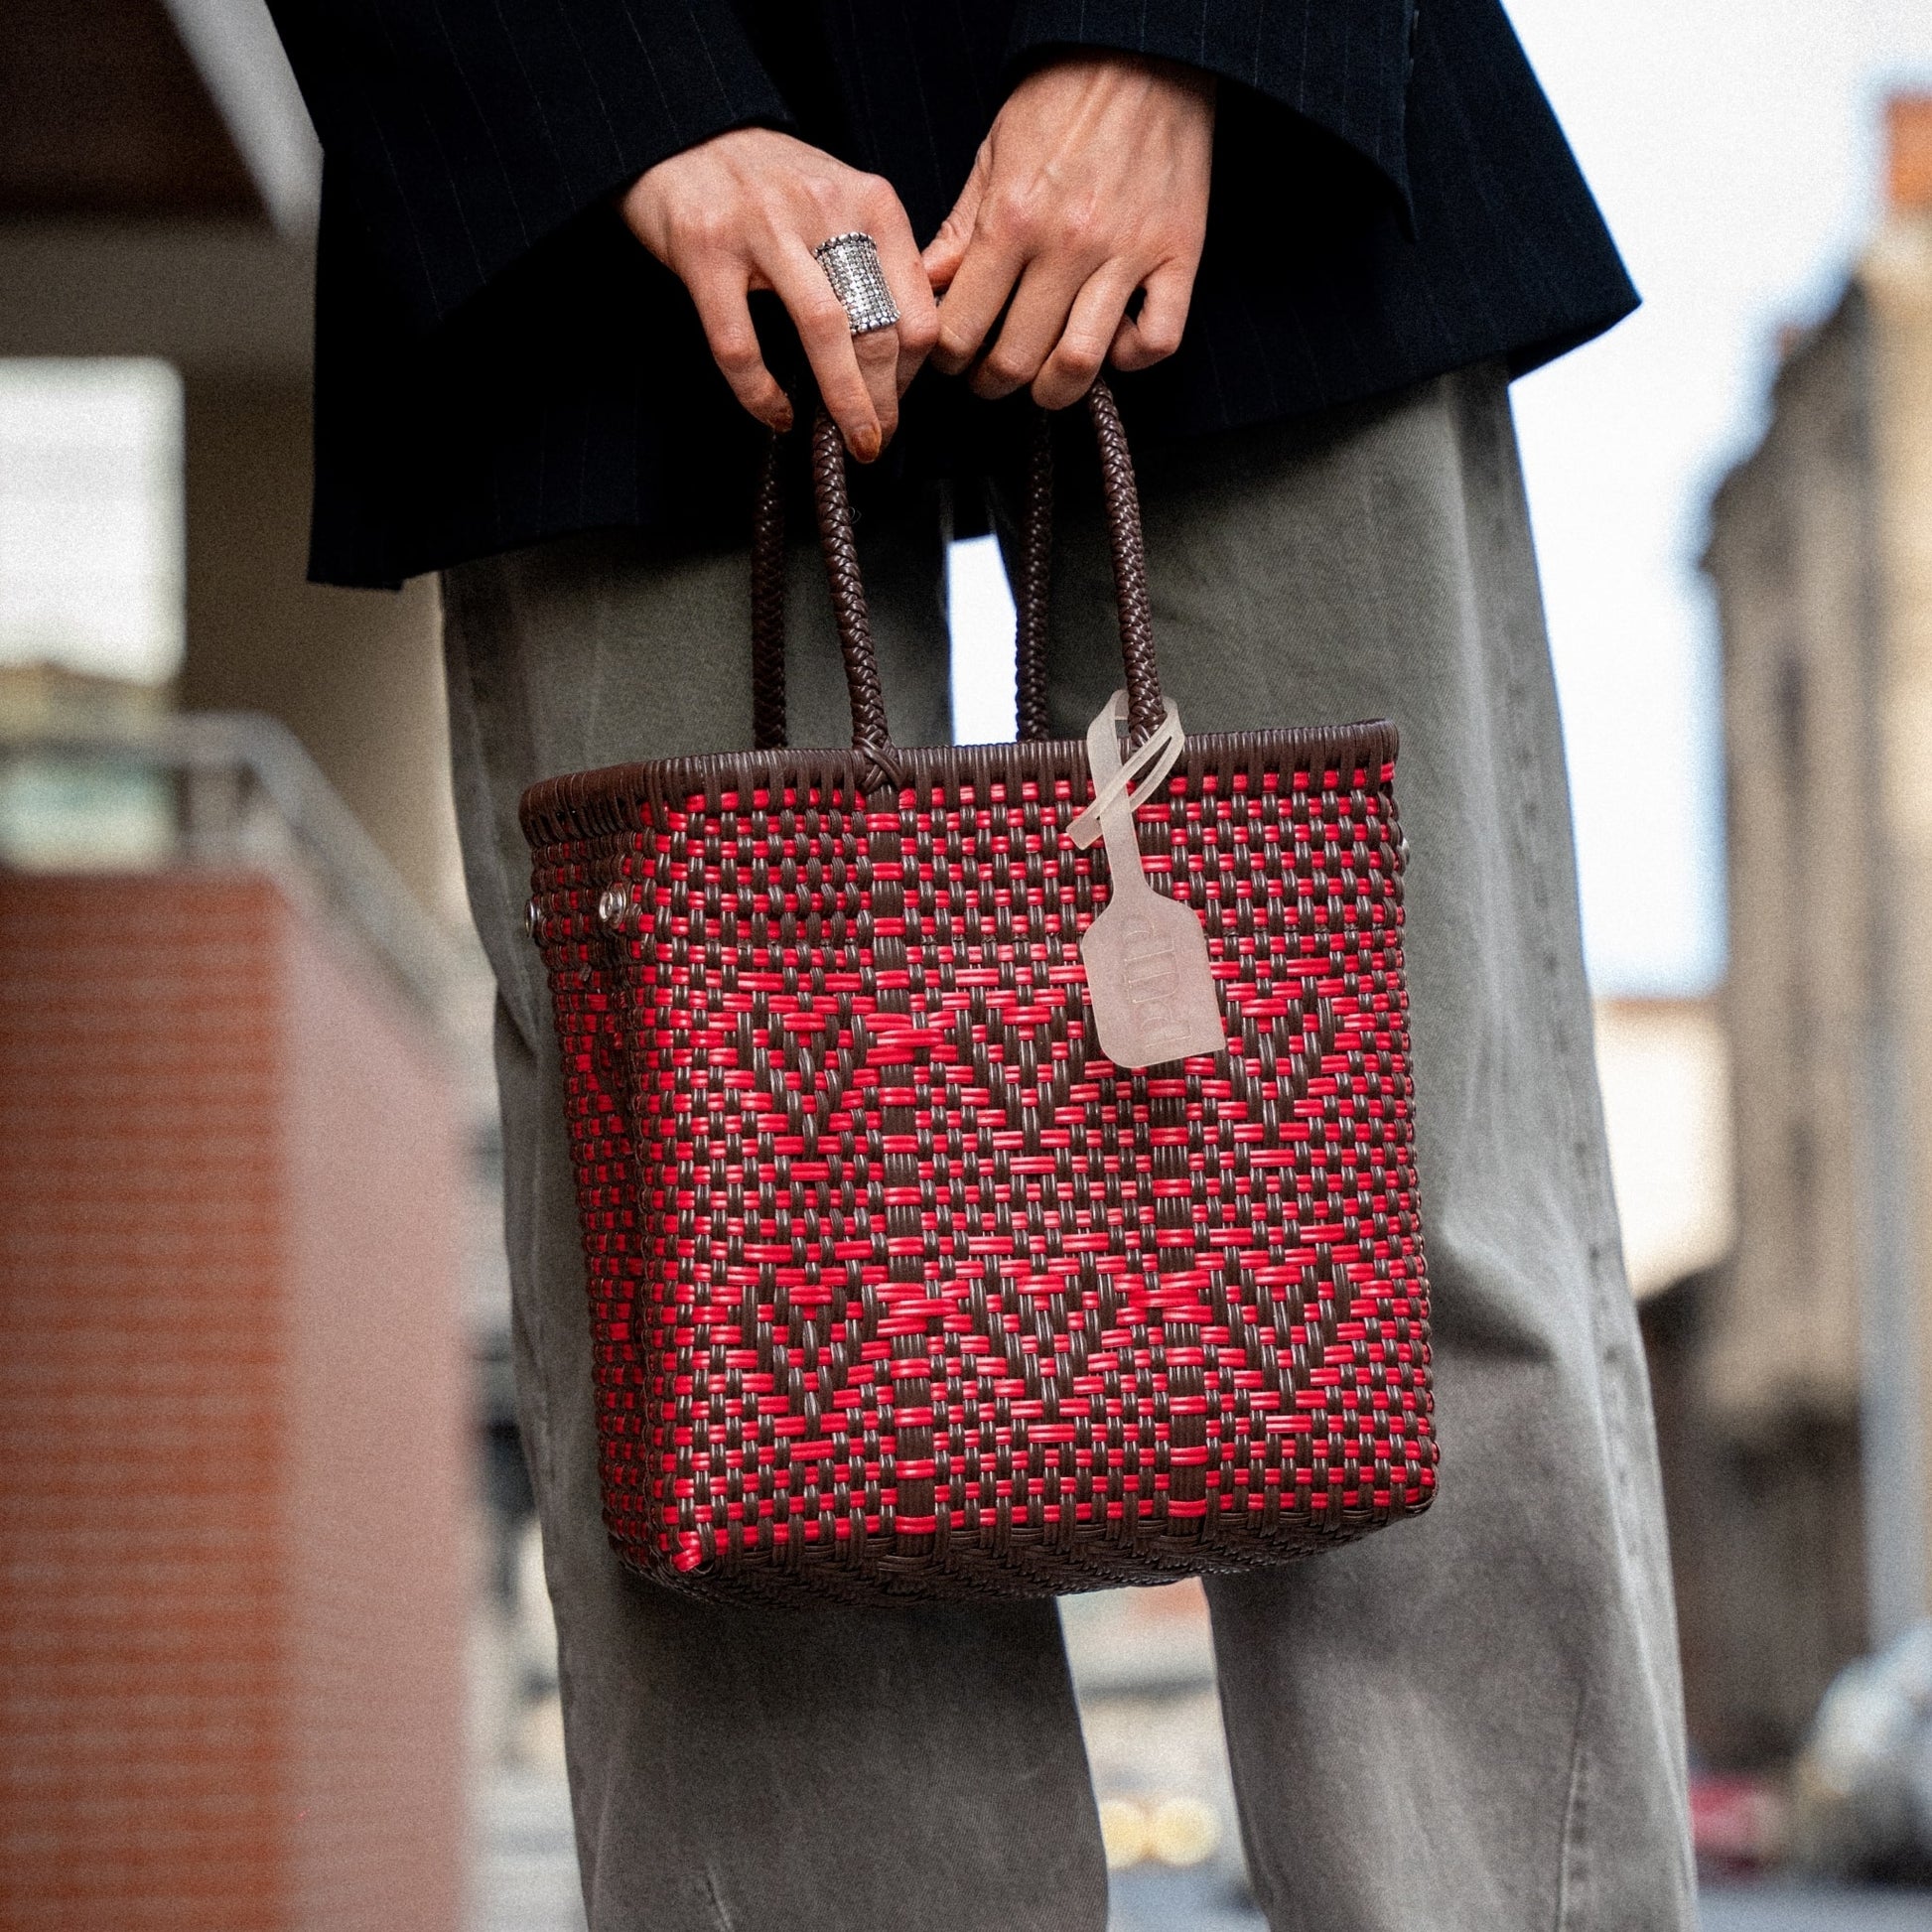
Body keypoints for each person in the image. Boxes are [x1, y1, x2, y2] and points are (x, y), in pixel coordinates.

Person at [264, 5, 1695, 1926]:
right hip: (605, 180)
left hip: (1252, 157)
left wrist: (1192, 31)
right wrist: (610, 95)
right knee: (746, 1325)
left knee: (1396, 1237)